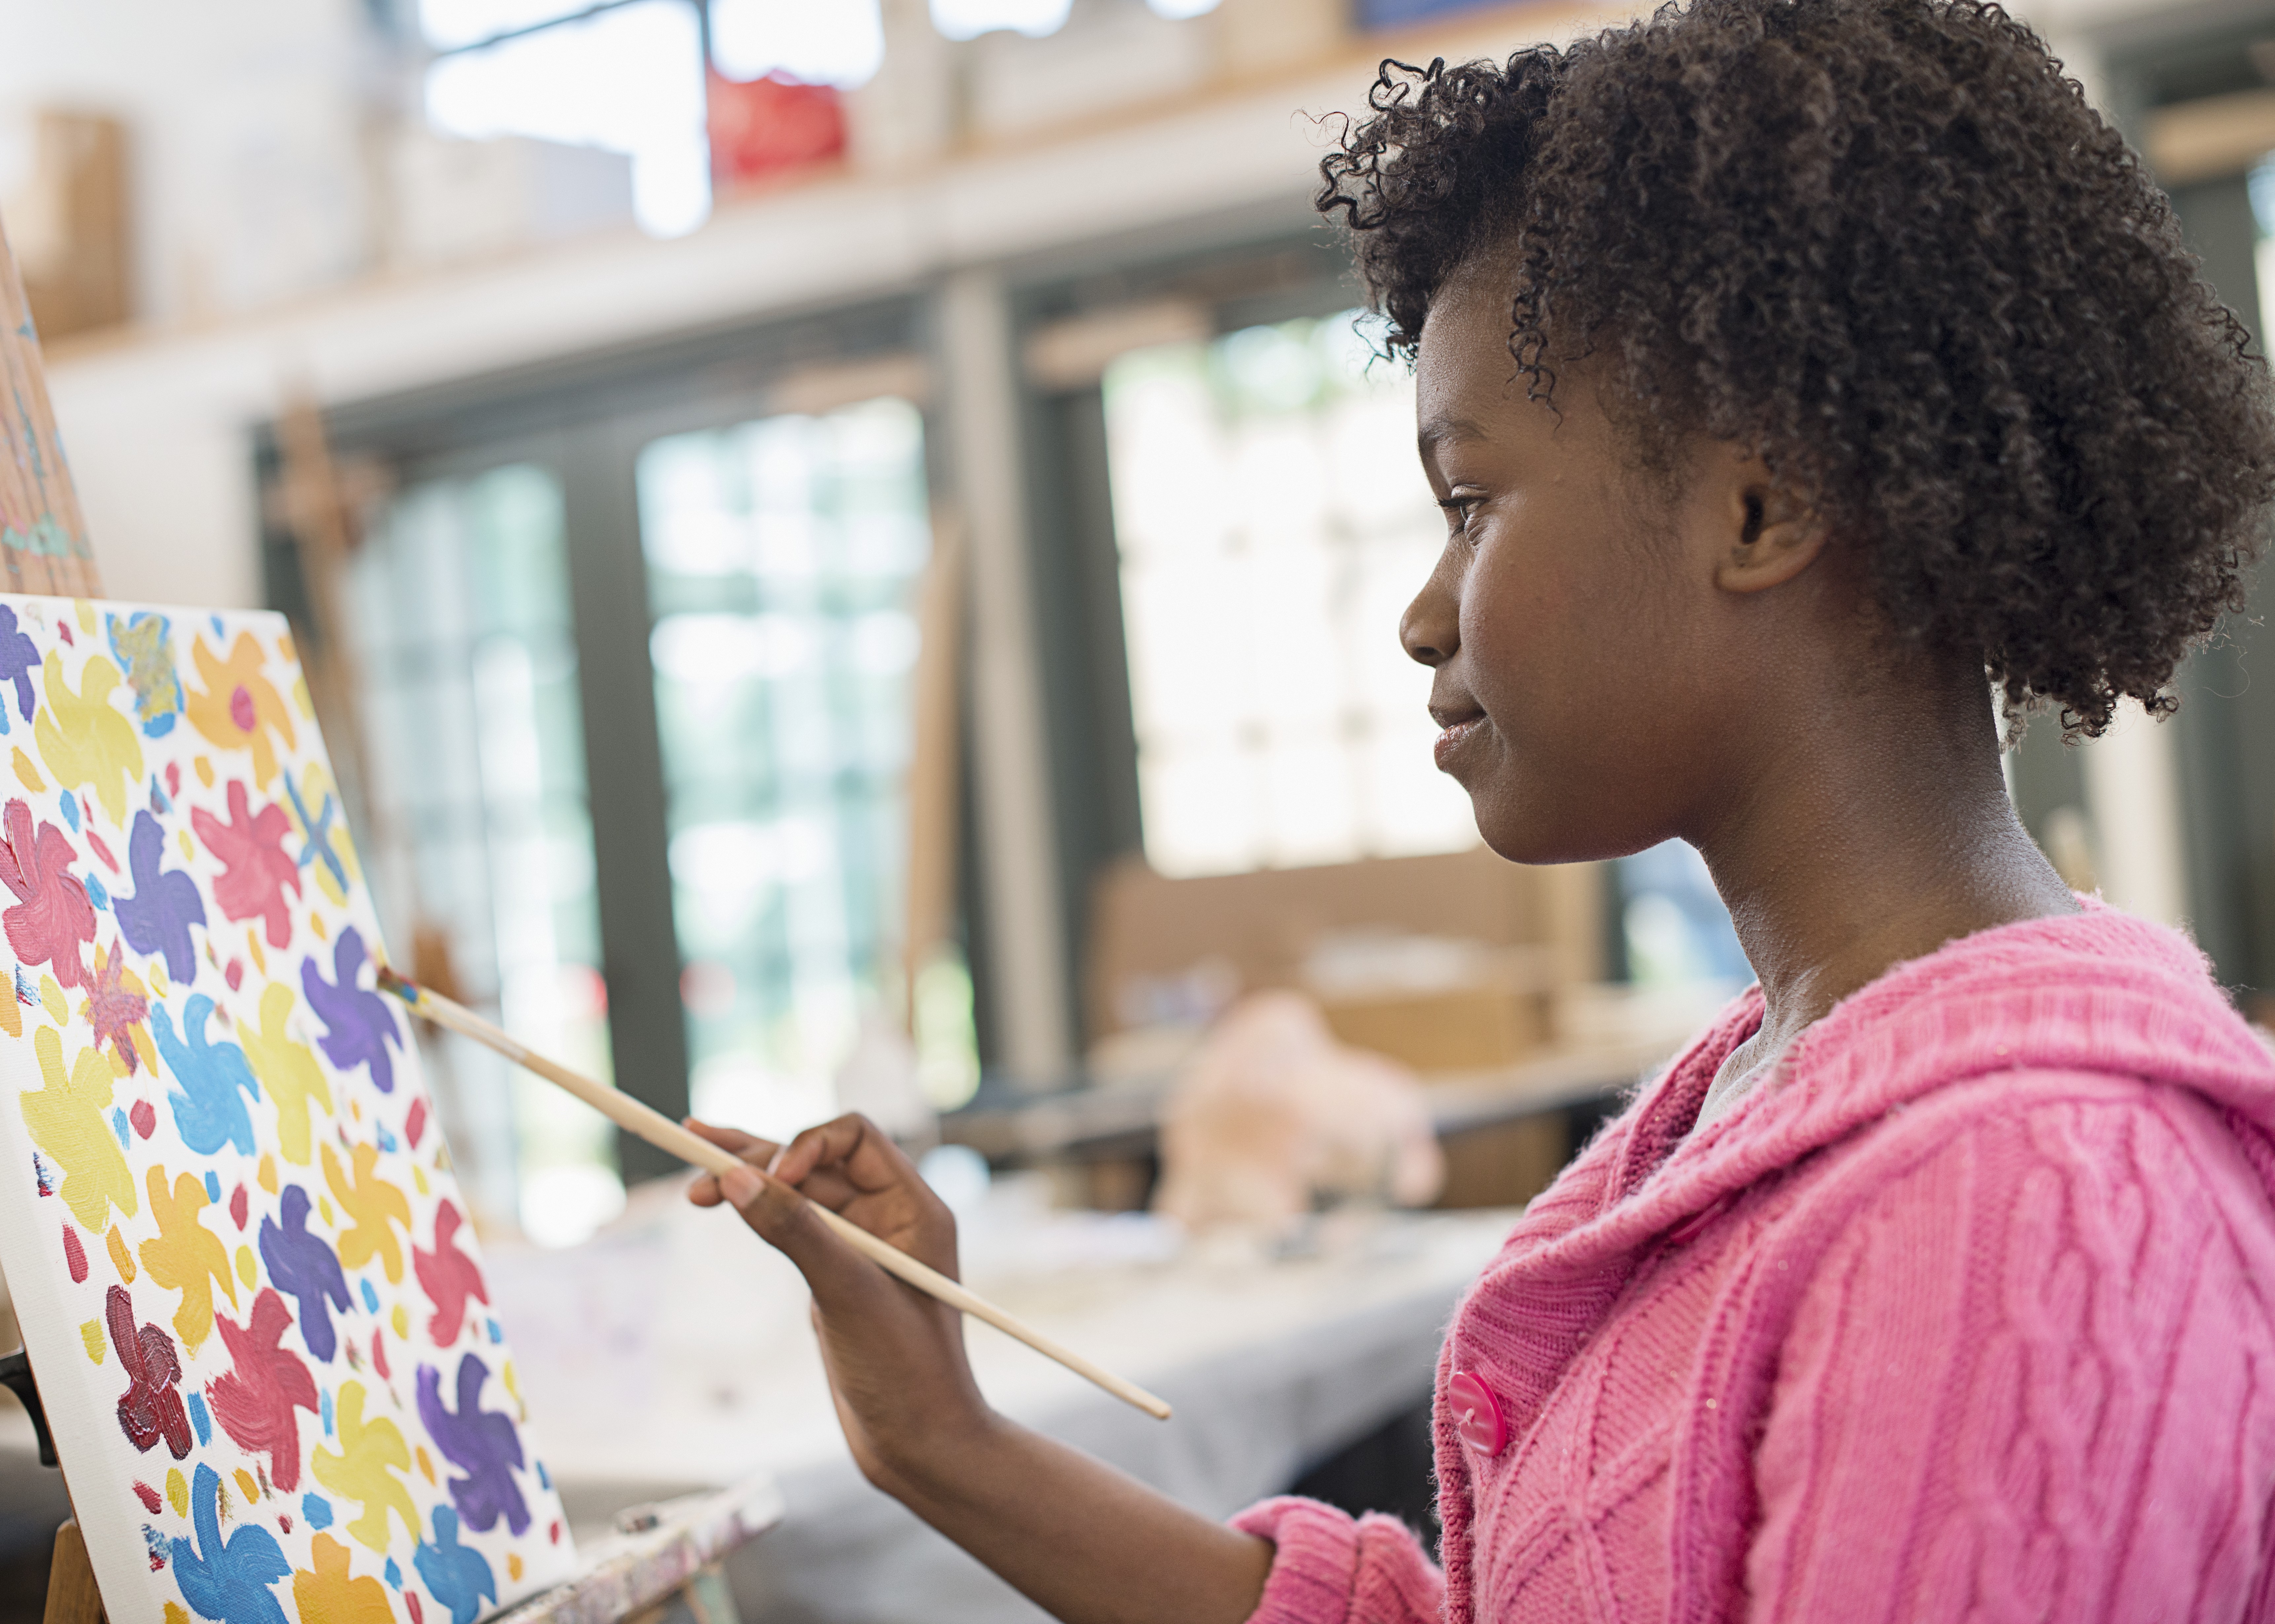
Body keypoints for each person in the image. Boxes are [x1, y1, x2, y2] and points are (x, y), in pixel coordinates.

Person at [685, 0, 2275, 1615]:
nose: (1425, 612)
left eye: (1471, 502)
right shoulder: (1765, 1092)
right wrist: (936, 1438)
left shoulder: (2014, 1201)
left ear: (1760, 504)